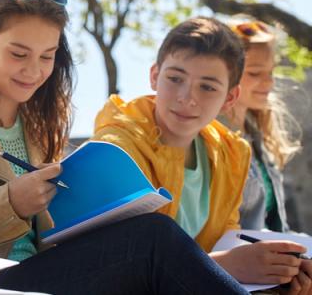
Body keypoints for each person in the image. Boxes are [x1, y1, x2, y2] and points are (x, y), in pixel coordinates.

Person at [0, 0, 248, 294]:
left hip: (43, 273)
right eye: (19, 53)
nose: (33, 71)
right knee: (154, 238)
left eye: (47, 56)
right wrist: (10, 203)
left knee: (147, 242)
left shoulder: (39, 123)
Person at [92, 17, 311, 293]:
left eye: (207, 87)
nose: (187, 97)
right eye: (175, 79)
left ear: (230, 98)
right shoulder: (117, 149)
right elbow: (114, 270)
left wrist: (278, 282)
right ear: (154, 76)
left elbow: (227, 250)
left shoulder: (231, 156)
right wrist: (222, 266)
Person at [219, 17, 302, 232]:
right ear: (225, 74)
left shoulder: (259, 138)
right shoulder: (209, 139)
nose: (270, 82)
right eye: (255, 73)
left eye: (271, 72)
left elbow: (276, 226)